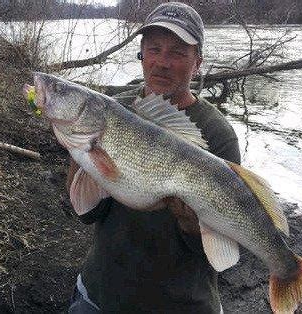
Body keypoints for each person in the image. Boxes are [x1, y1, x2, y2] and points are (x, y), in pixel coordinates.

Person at [68, 2, 240, 313]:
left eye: (177, 52)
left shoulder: (217, 133)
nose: (161, 62)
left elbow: (224, 244)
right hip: (100, 294)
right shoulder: (111, 111)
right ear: (141, 54)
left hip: (180, 304)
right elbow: (87, 214)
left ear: (197, 62)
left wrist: (190, 225)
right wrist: (79, 147)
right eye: (154, 49)